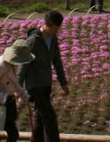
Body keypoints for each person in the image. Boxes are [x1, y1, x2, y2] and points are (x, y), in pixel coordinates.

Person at [19, 11, 69, 142]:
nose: (55, 32)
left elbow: (57, 62)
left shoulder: (53, 39)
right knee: (50, 117)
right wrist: (17, 88)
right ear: (46, 24)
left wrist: (63, 83)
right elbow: (23, 64)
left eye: (57, 29)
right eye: (54, 29)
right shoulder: (33, 41)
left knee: (39, 118)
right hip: (34, 85)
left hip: (46, 83)